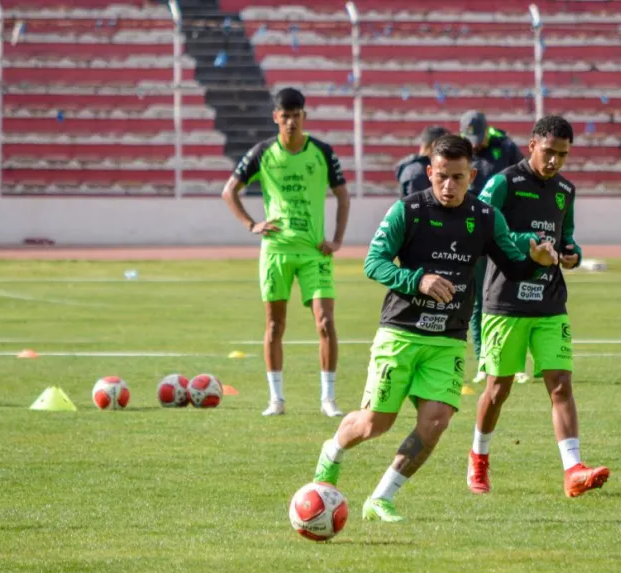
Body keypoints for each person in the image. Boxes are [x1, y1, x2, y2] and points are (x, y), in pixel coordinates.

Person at [311, 134, 561, 523]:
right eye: (441, 176)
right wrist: (418, 280)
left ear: (472, 176)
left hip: (447, 339)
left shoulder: (485, 218)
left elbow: (513, 265)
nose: (448, 186)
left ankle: (380, 498)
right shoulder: (406, 211)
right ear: (430, 171)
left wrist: (539, 261)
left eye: (458, 178)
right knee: (375, 423)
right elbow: (373, 262)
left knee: (437, 421)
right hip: (401, 333)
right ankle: (333, 451)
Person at [467, 115, 610, 498]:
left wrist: (571, 254)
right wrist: (526, 240)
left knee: (560, 385)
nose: (555, 162)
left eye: (563, 155)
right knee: (498, 390)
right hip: (506, 302)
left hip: (549, 301)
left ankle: (573, 470)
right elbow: (480, 227)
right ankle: (478, 459)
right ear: (532, 145)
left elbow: (569, 239)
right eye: (549, 152)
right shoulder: (503, 184)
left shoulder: (565, 189)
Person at [223, 88, 350, 417]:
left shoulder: (322, 152)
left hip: (313, 252)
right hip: (276, 251)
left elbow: (343, 195)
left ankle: (328, 399)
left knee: (325, 322)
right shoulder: (263, 152)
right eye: (285, 115)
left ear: (304, 116)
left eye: (296, 115)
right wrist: (251, 224)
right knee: (275, 327)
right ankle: (276, 399)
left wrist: (336, 239)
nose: (291, 121)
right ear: (275, 117)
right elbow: (230, 191)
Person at [458, 110, 525, 384]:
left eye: (479, 137)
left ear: (488, 130)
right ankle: (484, 360)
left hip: (505, 234)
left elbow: (523, 184)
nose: (476, 144)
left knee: (512, 299)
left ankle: (516, 363)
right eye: (470, 138)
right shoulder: (461, 150)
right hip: (474, 233)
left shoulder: (507, 148)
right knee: (478, 302)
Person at [394, 125, 448, 198]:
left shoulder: (414, 167)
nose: (448, 151)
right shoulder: (419, 173)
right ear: (435, 145)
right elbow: (417, 207)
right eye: (445, 145)